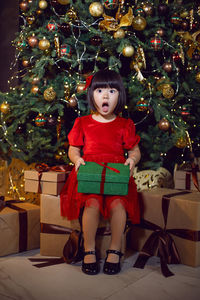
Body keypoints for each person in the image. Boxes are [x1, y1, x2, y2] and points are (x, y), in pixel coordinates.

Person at [60, 69, 141, 275]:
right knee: (92, 204)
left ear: (119, 95)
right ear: (92, 95)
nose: (105, 96)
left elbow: (134, 149)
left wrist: (132, 159)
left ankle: (115, 249)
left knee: (118, 205)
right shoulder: (83, 122)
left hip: (115, 174)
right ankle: (89, 249)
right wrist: (76, 159)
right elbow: (73, 148)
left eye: (112, 91)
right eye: (100, 91)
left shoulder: (124, 124)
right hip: (91, 174)